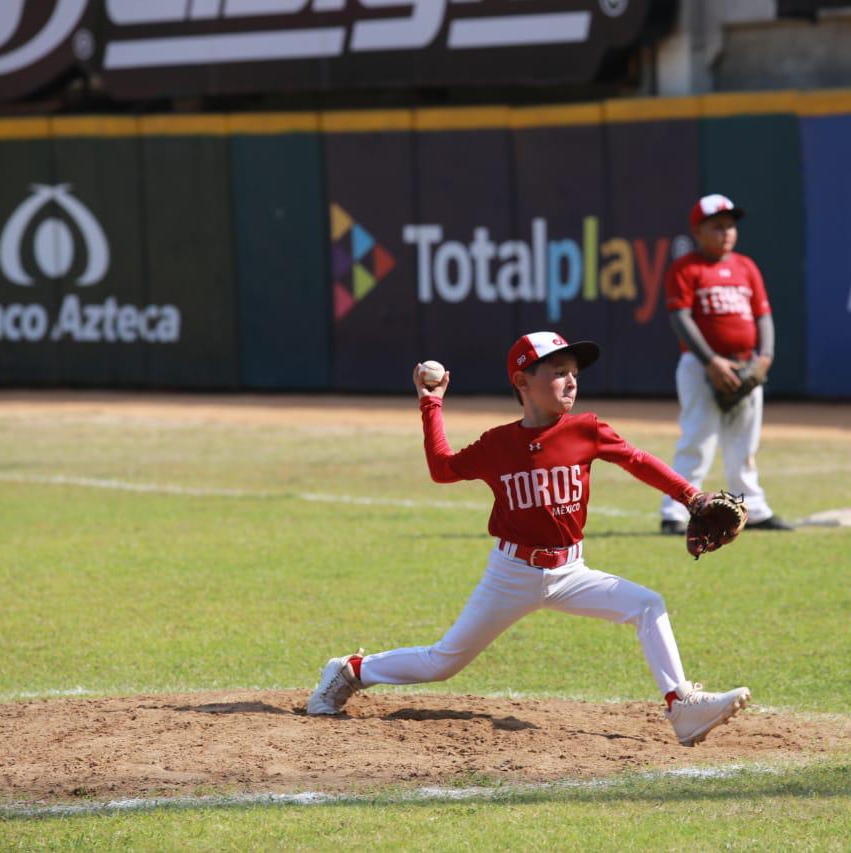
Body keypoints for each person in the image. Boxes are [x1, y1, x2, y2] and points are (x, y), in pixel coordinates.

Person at [307, 331, 751, 747]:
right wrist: (431, 403)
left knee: (646, 604)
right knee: (444, 661)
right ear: (522, 381)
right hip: (512, 573)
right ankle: (350, 671)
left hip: (571, 570)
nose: (570, 380)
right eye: (557, 372)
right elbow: (442, 469)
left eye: (574, 371)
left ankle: (683, 708)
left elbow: (637, 461)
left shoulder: (587, 429)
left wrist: (691, 497)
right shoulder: (498, 444)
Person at [659, 194, 792, 535]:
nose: (726, 233)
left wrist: (766, 357)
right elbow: (681, 319)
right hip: (699, 366)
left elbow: (763, 314)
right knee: (697, 439)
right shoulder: (686, 268)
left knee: (744, 444)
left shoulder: (746, 266)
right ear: (698, 231)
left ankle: (752, 509)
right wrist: (711, 361)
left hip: (746, 364)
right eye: (716, 227)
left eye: (730, 226)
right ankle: (675, 512)